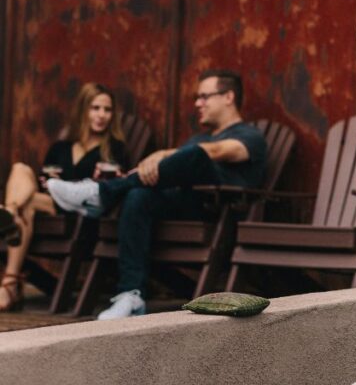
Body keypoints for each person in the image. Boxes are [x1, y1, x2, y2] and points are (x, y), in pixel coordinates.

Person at [47, 69, 267, 320]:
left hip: (219, 211)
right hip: (183, 204)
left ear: (228, 97)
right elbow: (172, 168)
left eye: (205, 97)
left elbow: (216, 151)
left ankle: (101, 193)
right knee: (139, 196)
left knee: (196, 153)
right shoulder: (198, 138)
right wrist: (160, 160)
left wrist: (163, 154)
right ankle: (131, 296)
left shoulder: (249, 136)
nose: (198, 103)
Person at [0, 83, 128, 312]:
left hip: (81, 214)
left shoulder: (114, 149)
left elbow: (113, 190)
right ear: (83, 110)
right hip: (49, 205)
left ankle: (10, 279)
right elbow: (42, 179)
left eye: (107, 110)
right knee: (21, 171)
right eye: (95, 108)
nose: (101, 115)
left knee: (25, 205)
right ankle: (11, 212)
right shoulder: (62, 147)